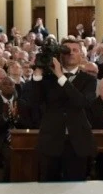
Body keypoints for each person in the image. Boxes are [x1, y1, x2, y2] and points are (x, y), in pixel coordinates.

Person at [29, 38, 97, 182]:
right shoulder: (47, 79)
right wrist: (38, 73)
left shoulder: (89, 80)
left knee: (76, 186)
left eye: (75, 50)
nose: (70, 53)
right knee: (47, 185)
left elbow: (81, 102)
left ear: (81, 56)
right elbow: (34, 101)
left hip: (77, 142)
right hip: (51, 141)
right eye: (66, 51)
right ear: (60, 55)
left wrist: (60, 76)